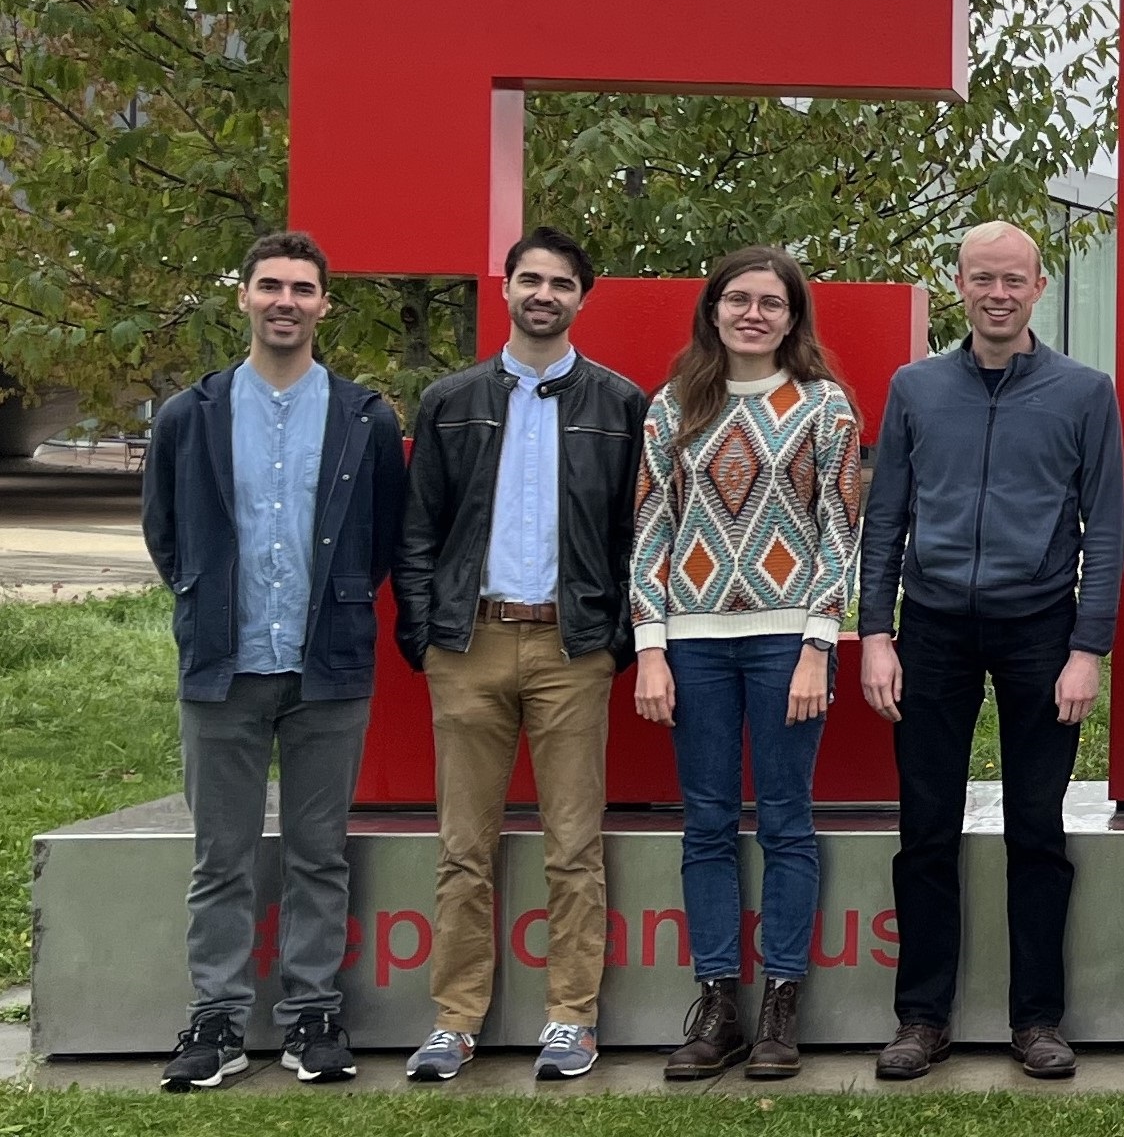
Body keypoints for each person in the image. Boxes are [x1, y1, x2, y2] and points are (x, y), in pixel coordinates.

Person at [854, 221, 1124, 1082]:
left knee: (1036, 832)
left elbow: (1108, 527)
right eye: (982, 278)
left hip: (1039, 632)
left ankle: (1036, 1018)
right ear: (958, 285)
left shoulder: (1085, 393)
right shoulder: (914, 388)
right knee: (925, 829)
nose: (997, 293)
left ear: (1038, 287)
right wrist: (875, 634)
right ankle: (921, 1018)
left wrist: (1087, 649)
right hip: (930, 629)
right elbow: (885, 518)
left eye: (1013, 279)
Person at [144, 230, 408, 1091]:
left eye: (302, 288)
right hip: (222, 665)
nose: (285, 301)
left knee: (318, 851)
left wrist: (333, 607)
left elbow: (379, 539)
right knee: (220, 854)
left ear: (325, 303)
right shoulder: (193, 414)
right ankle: (216, 1020)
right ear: (245, 298)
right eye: (270, 286)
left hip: (326, 664)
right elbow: (166, 533)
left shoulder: (366, 419)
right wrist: (201, 594)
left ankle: (310, 1016)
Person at [394, 227, 649, 1083]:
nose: (544, 294)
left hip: (571, 648)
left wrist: (613, 641)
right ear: (505, 288)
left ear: (583, 297)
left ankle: (571, 1019)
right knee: (464, 846)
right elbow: (420, 526)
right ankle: (453, 1021)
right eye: (530, 279)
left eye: (561, 283)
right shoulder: (450, 399)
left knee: (573, 845)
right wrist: (428, 633)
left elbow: (633, 533)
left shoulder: (621, 403)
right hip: (468, 644)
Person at [626, 247, 864, 1082]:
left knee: (789, 821)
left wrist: (816, 644)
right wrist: (650, 648)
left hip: (784, 643)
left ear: (793, 317)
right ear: (714, 310)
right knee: (708, 823)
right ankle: (720, 1003)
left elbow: (841, 530)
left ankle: (781, 1007)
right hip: (691, 645)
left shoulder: (825, 407)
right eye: (738, 299)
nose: (753, 314)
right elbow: (651, 528)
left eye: (771, 302)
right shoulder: (674, 405)